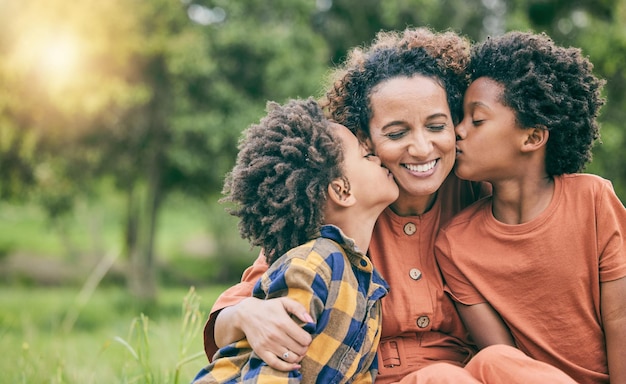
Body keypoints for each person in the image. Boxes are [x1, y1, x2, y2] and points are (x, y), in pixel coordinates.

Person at [202, 28, 576, 383]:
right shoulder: (337, 218)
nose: (422, 148)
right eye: (396, 133)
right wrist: (249, 315)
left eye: (436, 126)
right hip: (374, 376)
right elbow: (251, 296)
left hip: (470, 371)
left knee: (501, 362)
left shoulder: (476, 192)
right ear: (365, 139)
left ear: (456, 124)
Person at [434, 31, 626, 384]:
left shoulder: (594, 201)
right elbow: (507, 364)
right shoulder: (455, 244)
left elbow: (621, 320)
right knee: (490, 362)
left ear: (533, 137)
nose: (457, 131)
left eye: (476, 120)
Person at [192, 98, 399, 383]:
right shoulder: (315, 263)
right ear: (341, 190)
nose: (378, 156)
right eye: (366, 156)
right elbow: (272, 371)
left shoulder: (366, 284)